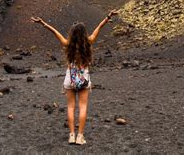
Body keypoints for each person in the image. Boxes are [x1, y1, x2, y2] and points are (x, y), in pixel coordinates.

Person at [31, 9, 119, 145]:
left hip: (70, 79)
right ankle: (80, 137)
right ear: (84, 33)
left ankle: (71, 135)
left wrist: (43, 23)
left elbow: (55, 33)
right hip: (84, 79)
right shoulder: (89, 42)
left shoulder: (68, 44)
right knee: (83, 107)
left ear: (72, 33)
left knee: (70, 107)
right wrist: (108, 17)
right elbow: (99, 28)